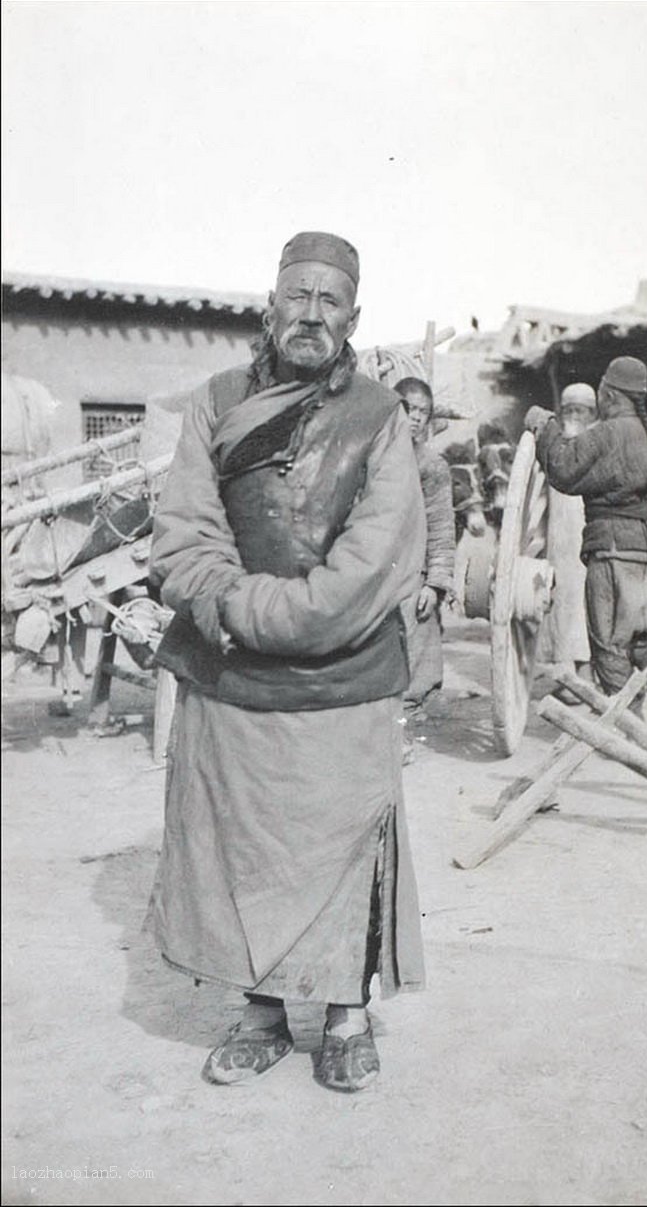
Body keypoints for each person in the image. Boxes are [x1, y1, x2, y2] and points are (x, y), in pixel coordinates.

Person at [148, 232, 427, 1093]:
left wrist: (259, 613)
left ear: (353, 317)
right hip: (231, 682)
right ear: (271, 305)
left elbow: (374, 564)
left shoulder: (381, 418)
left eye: (329, 300)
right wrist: (229, 602)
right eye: (296, 296)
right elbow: (182, 533)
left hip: (342, 679)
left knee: (341, 845)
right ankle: (263, 1012)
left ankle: (346, 1015)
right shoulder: (215, 401)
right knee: (244, 847)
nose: (311, 313)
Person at [525, 356, 647, 747]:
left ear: (611, 395)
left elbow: (563, 469)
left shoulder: (606, 435)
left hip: (613, 552)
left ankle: (629, 728)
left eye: (601, 391)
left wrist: (543, 425)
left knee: (610, 643)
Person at [393, 378, 455, 736]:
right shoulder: (369, 456)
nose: (415, 418)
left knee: (416, 644)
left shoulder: (432, 466)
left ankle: (406, 724)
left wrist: (435, 583)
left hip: (413, 574)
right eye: (407, 408)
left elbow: (442, 528)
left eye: (423, 412)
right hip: (373, 569)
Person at [538, 382, 596, 687]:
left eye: (581, 410)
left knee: (588, 604)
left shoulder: (598, 441)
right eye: (569, 410)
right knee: (563, 600)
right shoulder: (555, 447)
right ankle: (567, 671)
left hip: (588, 536)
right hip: (560, 539)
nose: (574, 415)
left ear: (592, 414)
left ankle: (587, 672)